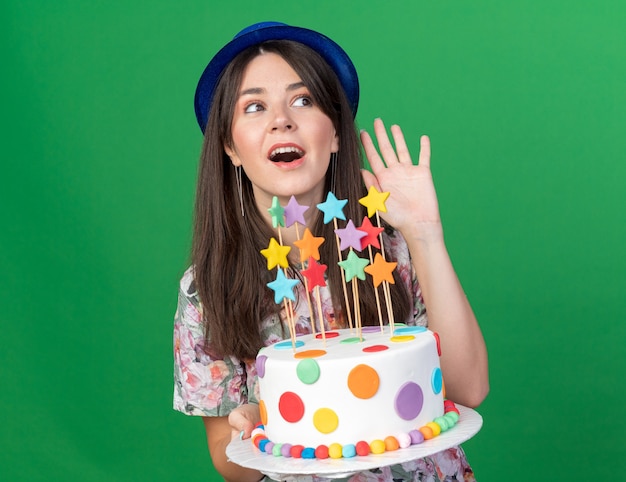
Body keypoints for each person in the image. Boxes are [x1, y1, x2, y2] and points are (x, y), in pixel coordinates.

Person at [173, 21, 489, 482]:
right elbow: (228, 460)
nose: (282, 119)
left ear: (337, 133)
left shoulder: (391, 249)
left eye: (303, 100)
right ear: (229, 146)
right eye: (255, 106)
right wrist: (253, 426)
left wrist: (425, 233)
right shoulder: (206, 288)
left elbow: (469, 389)